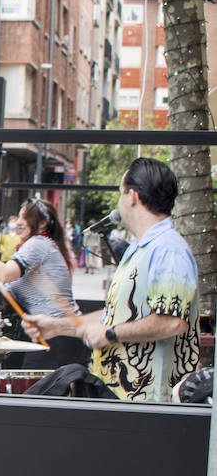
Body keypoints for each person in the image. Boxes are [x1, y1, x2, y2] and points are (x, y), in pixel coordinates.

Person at [23, 158, 200, 402]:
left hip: (151, 403)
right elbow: (114, 317)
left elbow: (171, 322)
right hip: (122, 397)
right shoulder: (139, 249)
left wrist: (111, 334)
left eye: (120, 193)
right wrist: (57, 326)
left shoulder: (168, 250)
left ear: (132, 196)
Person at [0, 197, 89, 370]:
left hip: (57, 336)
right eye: (19, 217)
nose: (19, 223)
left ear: (43, 223)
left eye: (25, 218)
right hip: (61, 336)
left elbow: (6, 274)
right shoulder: (46, 245)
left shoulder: (38, 244)